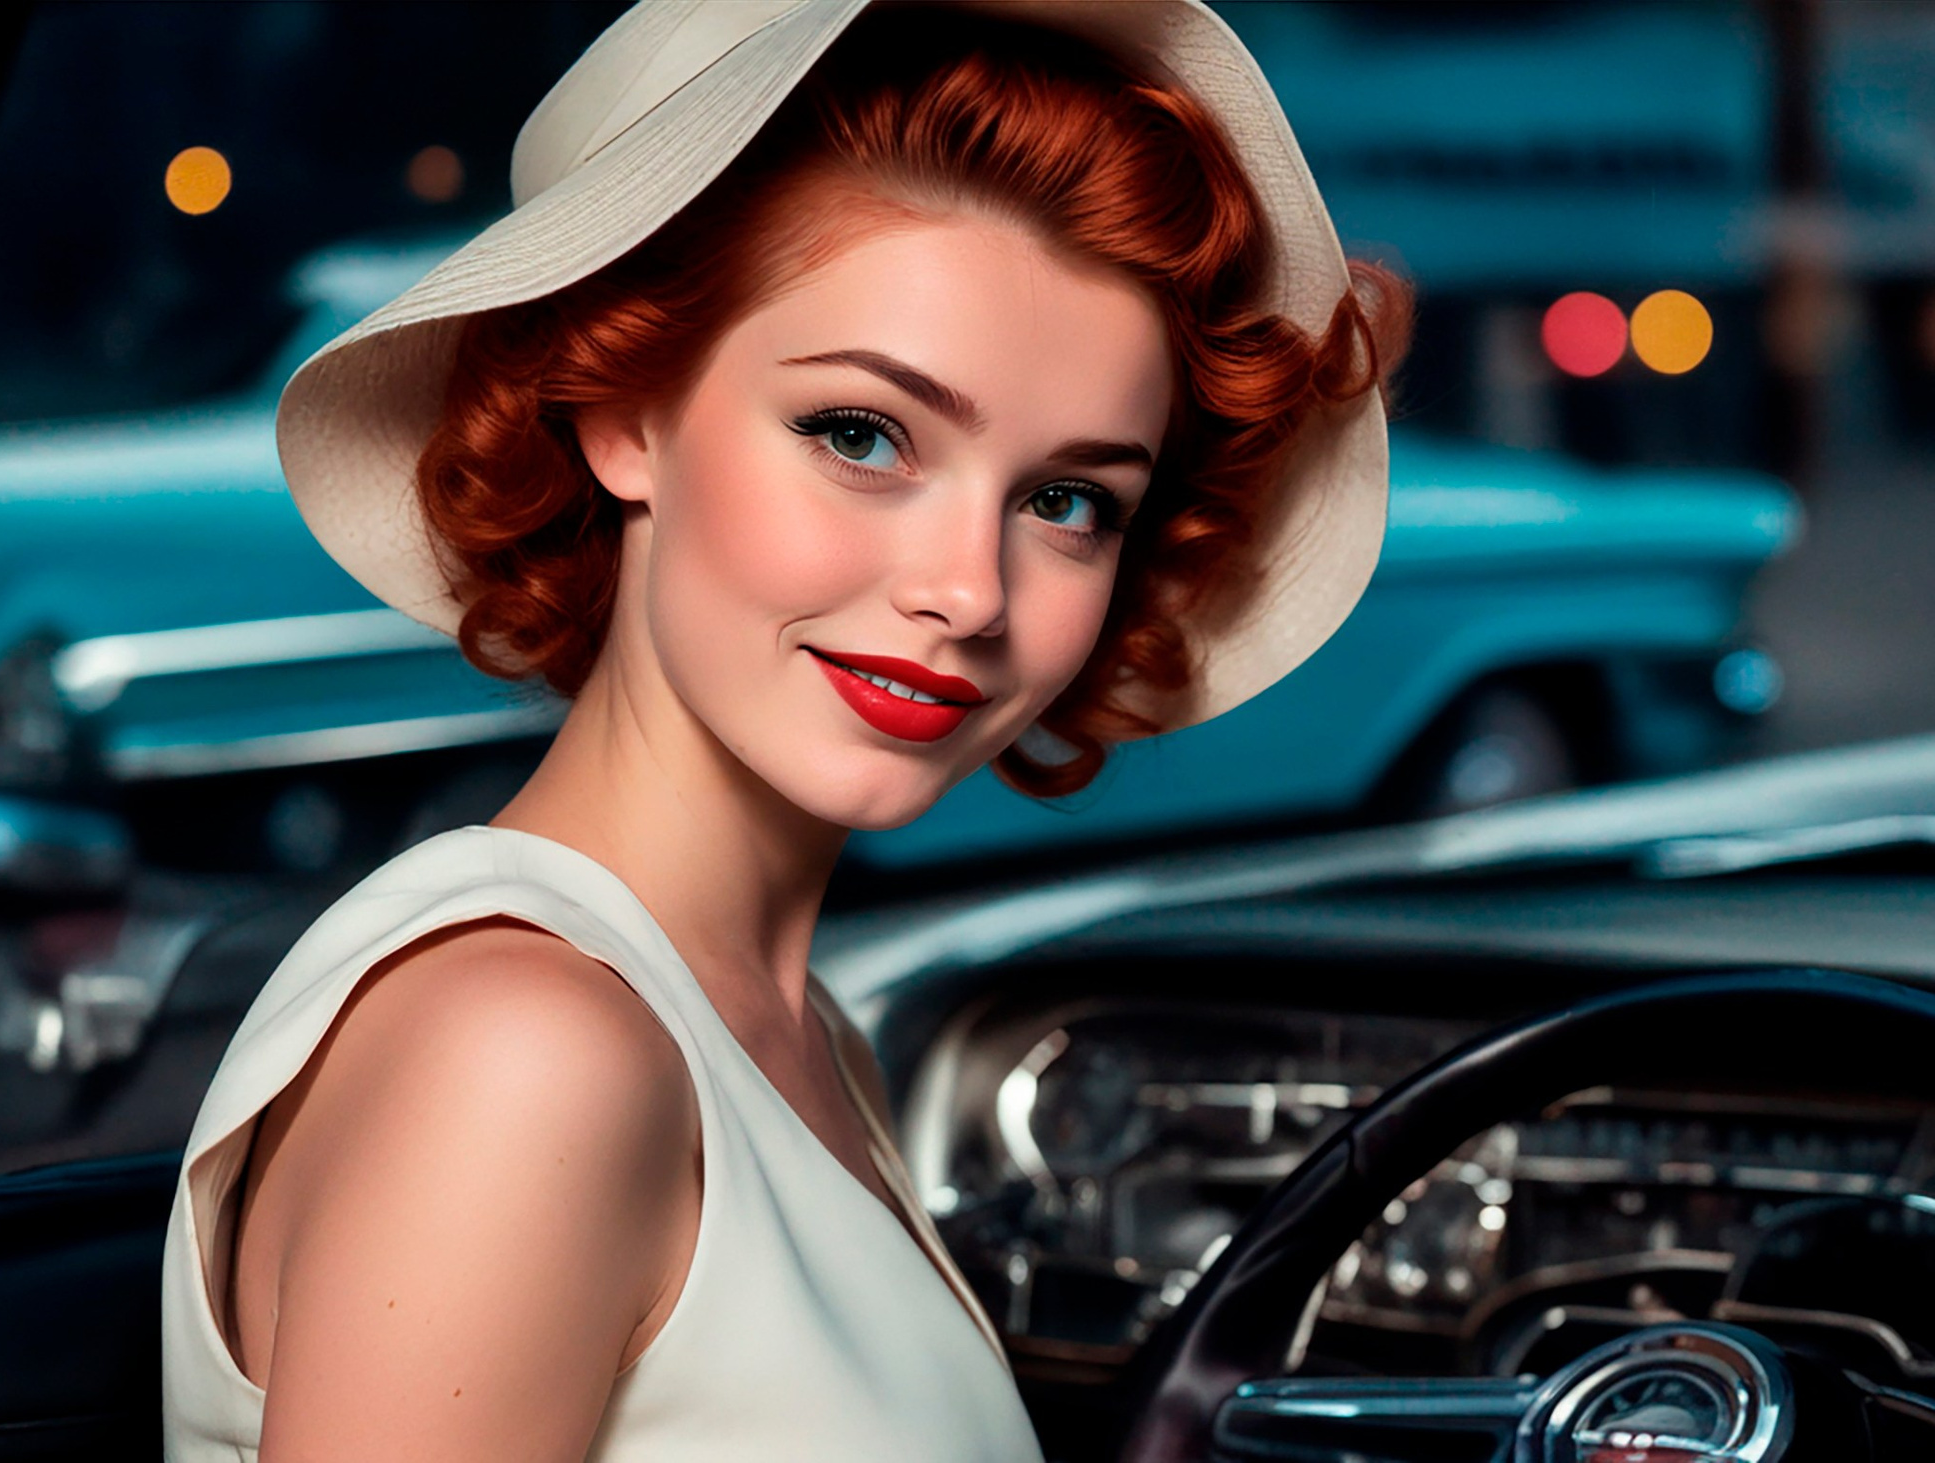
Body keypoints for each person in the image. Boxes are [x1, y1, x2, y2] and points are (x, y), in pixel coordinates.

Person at [161, 2, 1410, 1458]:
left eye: (1068, 501)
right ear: (623, 408)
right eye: (860, 435)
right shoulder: (526, 1050)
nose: (966, 591)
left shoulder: (785, 1034)